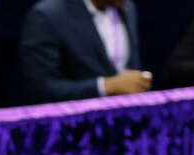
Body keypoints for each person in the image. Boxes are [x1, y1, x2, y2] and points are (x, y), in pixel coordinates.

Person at [20, 0, 149, 105]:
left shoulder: (128, 8)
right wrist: (105, 86)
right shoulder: (48, 15)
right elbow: (43, 88)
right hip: (73, 129)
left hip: (125, 125)